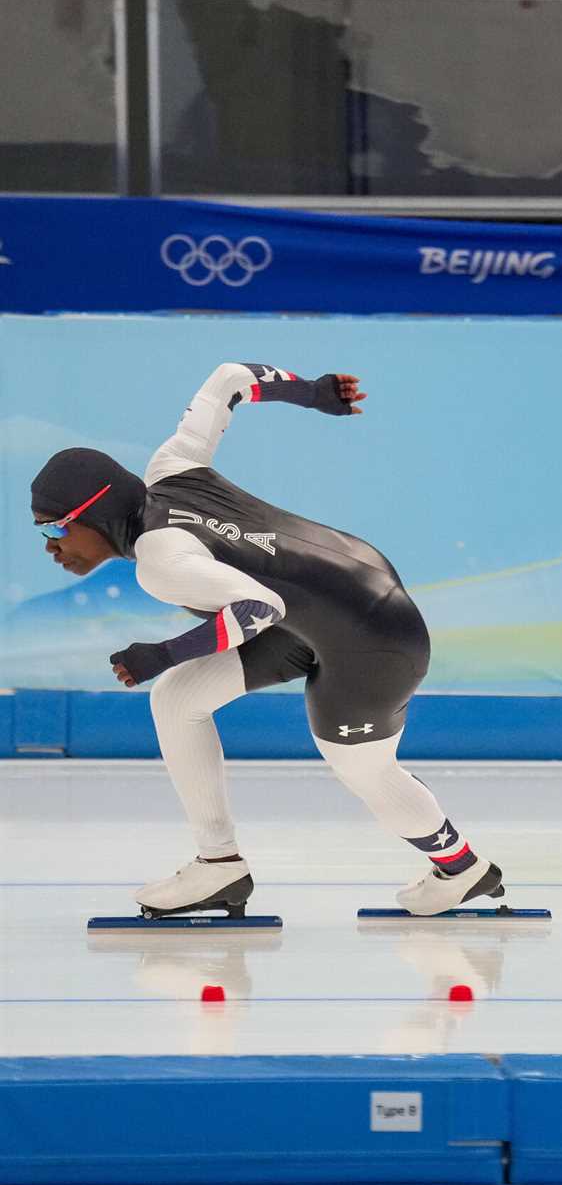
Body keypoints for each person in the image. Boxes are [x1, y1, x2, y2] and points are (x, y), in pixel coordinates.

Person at [31, 362, 502, 917]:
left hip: (372, 639)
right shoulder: (172, 466)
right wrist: (313, 394)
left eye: (55, 527)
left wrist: (160, 654)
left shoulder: (159, 560)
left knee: (363, 769)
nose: (51, 546)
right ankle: (218, 866)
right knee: (179, 699)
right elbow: (229, 378)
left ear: (97, 512)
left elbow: (259, 607)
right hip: (345, 593)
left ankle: (461, 869)